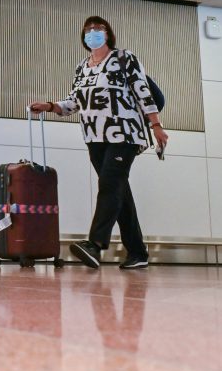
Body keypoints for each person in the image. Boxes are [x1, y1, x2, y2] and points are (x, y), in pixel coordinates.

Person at [30, 16, 167, 270]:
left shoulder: (124, 58)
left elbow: (142, 91)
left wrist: (155, 125)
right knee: (118, 192)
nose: (92, 33)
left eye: (98, 29)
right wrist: (50, 106)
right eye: (88, 30)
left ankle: (95, 244)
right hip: (95, 137)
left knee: (109, 185)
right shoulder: (82, 67)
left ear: (108, 33)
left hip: (124, 133)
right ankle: (138, 252)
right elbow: (74, 101)